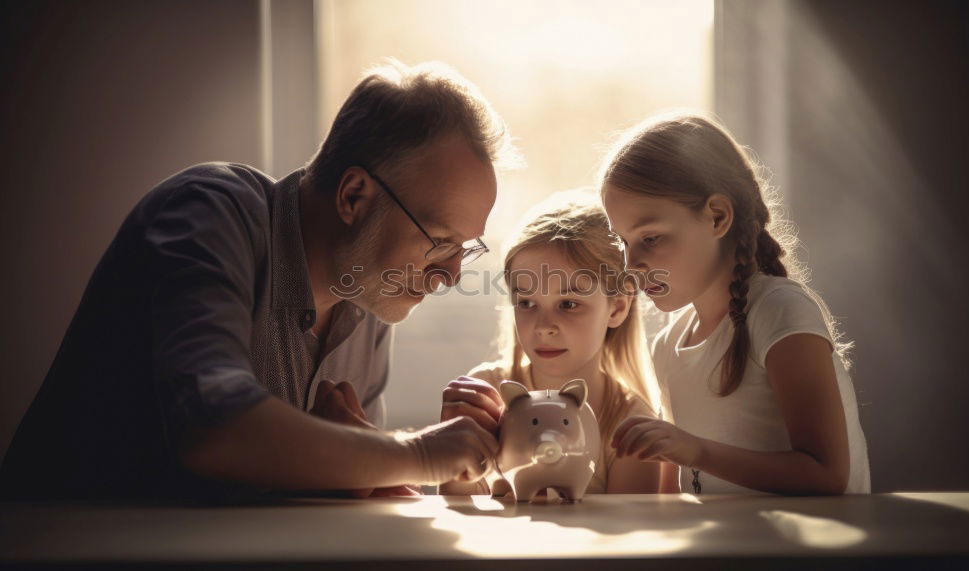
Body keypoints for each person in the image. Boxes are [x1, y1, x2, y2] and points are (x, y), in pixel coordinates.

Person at [1, 59, 518, 499]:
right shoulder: (207, 214)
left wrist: (364, 471)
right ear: (354, 197)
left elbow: (330, 492)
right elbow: (214, 428)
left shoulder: (368, 297)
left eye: (464, 249)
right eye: (439, 240)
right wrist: (418, 453)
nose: (451, 275)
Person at [602, 112, 870, 495]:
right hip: (725, 554)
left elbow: (826, 476)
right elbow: (672, 489)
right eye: (623, 243)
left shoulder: (780, 311)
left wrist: (696, 451)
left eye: (651, 238)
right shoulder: (667, 346)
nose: (631, 264)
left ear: (717, 217)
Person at [439, 192, 675, 496]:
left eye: (568, 303)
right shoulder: (485, 394)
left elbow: (628, 532)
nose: (544, 327)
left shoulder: (630, 421)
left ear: (617, 307)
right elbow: (455, 514)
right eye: (526, 302)